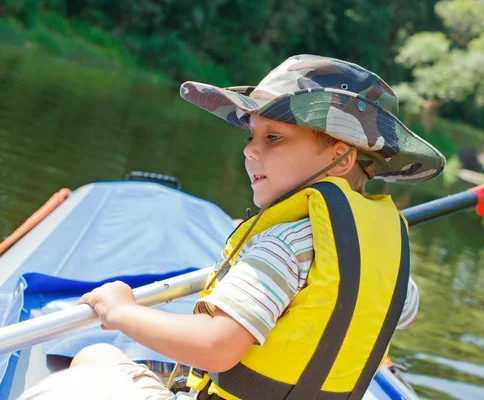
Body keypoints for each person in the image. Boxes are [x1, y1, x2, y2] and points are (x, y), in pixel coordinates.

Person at [18, 54, 445, 400]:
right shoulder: (388, 259)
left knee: (95, 356)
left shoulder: (280, 245)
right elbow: (399, 309)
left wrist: (122, 311)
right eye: (250, 136)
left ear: (342, 156)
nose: (250, 152)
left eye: (273, 138)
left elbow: (215, 347)